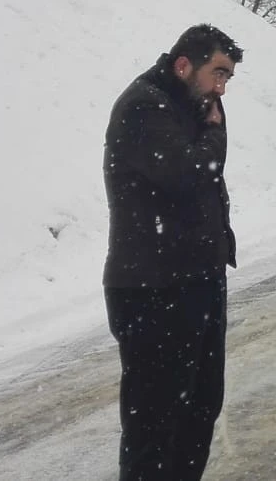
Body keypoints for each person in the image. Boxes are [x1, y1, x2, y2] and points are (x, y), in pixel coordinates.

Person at [103, 24, 243, 480]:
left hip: (195, 282)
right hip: (153, 290)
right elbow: (186, 174)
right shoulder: (144, 106)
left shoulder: (188, 108)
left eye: (227, 79)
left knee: (199, 407)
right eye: (217, 74)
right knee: (154, 424)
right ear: (184, 64)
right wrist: (216, 134)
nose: (221, 88)